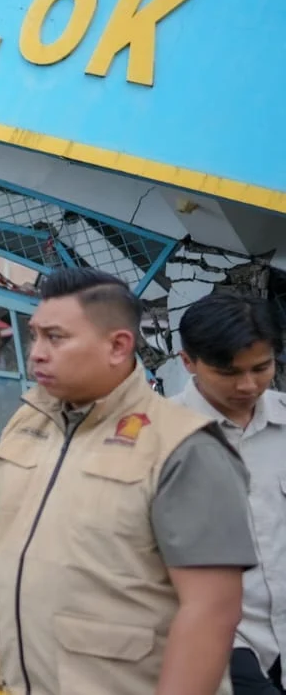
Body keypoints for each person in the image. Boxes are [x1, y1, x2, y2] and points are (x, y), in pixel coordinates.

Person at [0, 267, 256, 695]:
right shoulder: (25, 425)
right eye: (35, 335)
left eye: (55, 338)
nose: (36, 353)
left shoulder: (181, 446)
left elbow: (211, 610)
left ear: (118, 346)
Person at [171, 290, 286, 694]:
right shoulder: (158, 437)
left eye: (261, 367)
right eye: (228, 372)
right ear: (188, 362)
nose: (248, 385)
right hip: (221, 638)